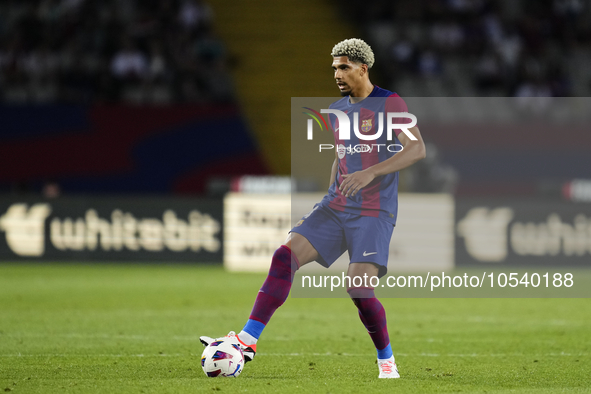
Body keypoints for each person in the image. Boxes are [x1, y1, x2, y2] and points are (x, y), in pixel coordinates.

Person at [201, 38, 426, 379]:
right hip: (336, 206)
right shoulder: (338, 110)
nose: (336, 73)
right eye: (334, 67)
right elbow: (340, 158)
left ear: (363, 68)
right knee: (284, 256)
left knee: (359, 289)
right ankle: (247, 341)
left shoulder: (389, 103)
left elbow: (417, 149)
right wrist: (329, 196)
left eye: (344, 67)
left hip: (374, 210)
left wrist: (370, 173)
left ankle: (386, 360)